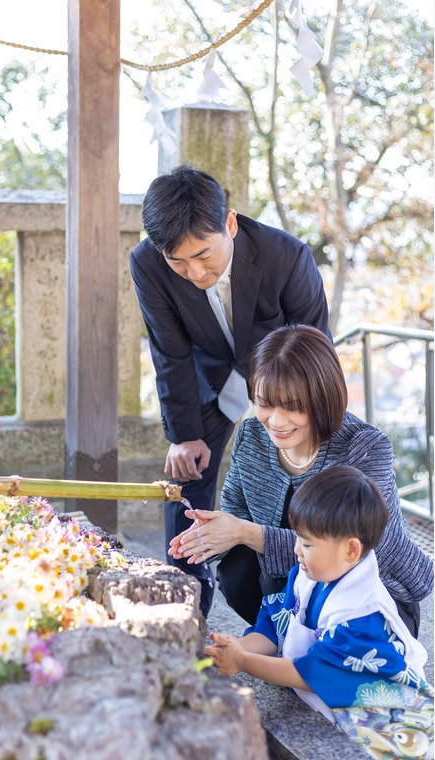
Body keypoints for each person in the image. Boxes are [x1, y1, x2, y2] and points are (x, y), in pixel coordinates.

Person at [130, 164, 330, 616]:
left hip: (282, 382)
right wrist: (183, 434)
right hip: (208, 378)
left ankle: (306, 586)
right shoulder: (146, 263)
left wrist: (303, 421)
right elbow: (169, 350)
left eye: (203, 255)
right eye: (177, 261)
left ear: (231, 223)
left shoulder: (287, 256)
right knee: (186, 472)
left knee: (304, 479)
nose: (194, 272)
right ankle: (183, 596)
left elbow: (315, 349)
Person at [168, 324, 433, 637]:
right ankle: (291, 642)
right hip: (296, 586)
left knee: (263, 558)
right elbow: (236, 511)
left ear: (323, 397)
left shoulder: (364, 447)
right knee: (235, 571)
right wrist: (212, 535)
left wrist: (245, 532)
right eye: (265, 403)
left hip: (374, 601)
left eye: (293, 406)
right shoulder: (252, 435)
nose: (277, 421)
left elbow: (358, 550)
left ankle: (304, 650)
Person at [203, 466, 435, 759]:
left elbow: (310, 673)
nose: (297, 550)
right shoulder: (311, 572)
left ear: (351, 550)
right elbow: (278, 624)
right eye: (298, 538)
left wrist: (245, 661)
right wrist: (235, 648)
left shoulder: (364, 614)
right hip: (331, 685)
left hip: (383, 713)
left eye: (307, 543)